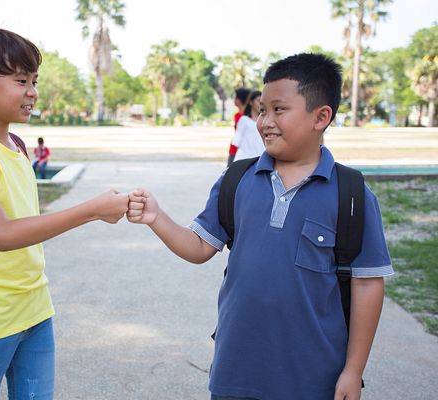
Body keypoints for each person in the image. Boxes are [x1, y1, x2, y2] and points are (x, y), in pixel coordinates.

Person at [126, 53, 393, 400]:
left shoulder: (352, 195)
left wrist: (353, 371)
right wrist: (156, 218)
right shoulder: (237, 180)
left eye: (279, 109)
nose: (265, 121)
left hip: (314, 380)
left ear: (321, 116)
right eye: (262, 110)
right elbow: (199, 247)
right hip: (236, 372)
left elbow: (368, 285)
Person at [0, 27, 129, 400]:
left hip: (36, 311)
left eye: (34, 81)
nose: (32, 92)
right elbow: (3, 234)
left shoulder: (18, 145)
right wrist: (92, 210)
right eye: (21, 80)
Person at [230, 89, 265, 161]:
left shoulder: (264, 121)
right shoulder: (244, 120)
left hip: (260, 157)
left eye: (262, 102)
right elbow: (236, 141)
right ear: (251, 102)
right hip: (245, 157)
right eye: (258, 101)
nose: (260, 104)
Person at [227, 87, 250, 166]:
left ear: (240, 99)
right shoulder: (237, 115)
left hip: (245, 150)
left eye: (236, 97)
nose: (234, 100)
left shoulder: (248, 117)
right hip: (234, 148)